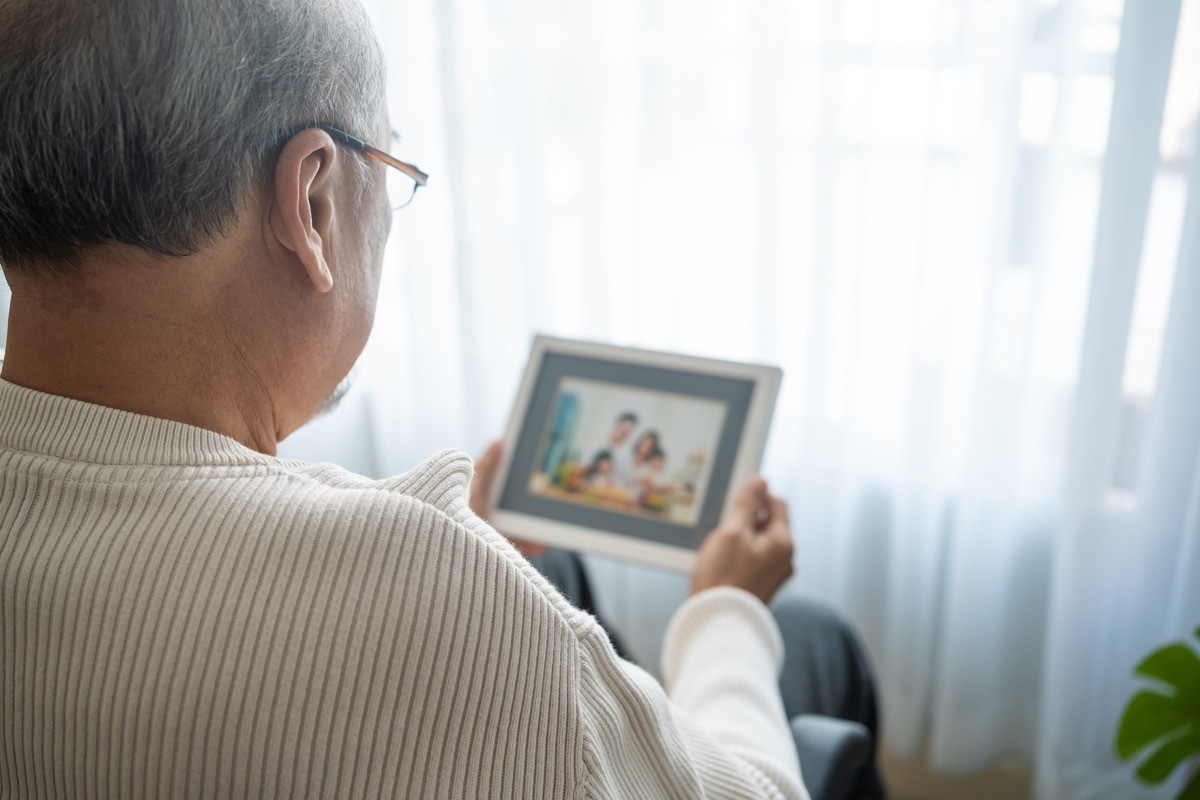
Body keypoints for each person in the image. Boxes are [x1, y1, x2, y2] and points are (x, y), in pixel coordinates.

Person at [0, 1, 880, 798]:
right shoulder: (438, 587)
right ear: (308, 202)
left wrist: (481, 551)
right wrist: (724, 605)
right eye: (385, 166)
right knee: (804, 635)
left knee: (557, 573)